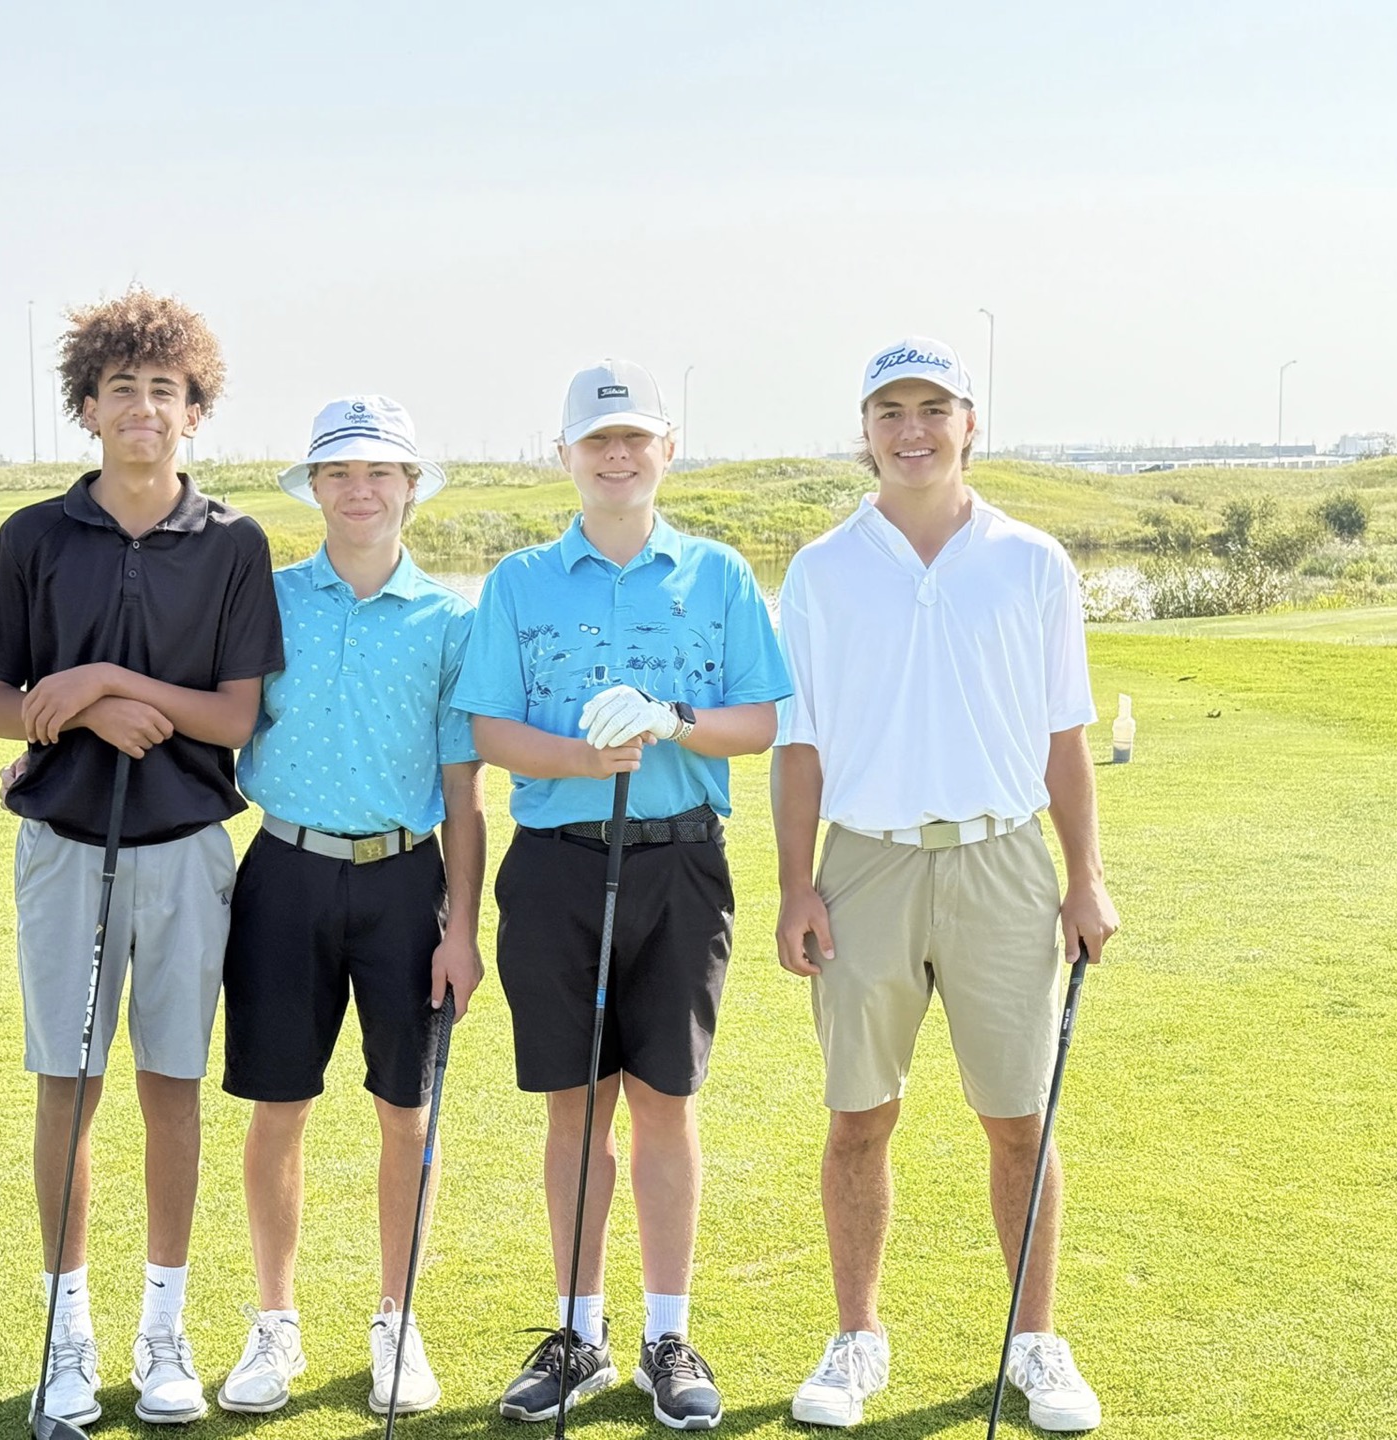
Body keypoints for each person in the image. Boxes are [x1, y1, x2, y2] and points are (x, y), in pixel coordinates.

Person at [0, 289, 283, 1429]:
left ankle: (164, 1331)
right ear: (86, 408)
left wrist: (104, 681)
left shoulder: (234, 542)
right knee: (70, 1088)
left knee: (172, 1088)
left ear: (195, 413)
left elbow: (233, 718)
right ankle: (68, 1337)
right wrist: (85, 713)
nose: (144, 407)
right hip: (62, 847)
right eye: (121, 389)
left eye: (165, 391)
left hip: (187, 850)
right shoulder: (33, 537)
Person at [771, 336, 1119, 1432]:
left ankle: (1034, 1340)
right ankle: (857, 1338)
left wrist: (1086, 878)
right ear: (865, 430)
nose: (912, 430)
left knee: (1019, 1120)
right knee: (858, 1118)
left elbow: (1065, 737)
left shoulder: (1032, 561)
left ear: (970, 422)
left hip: (1002, 861)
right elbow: (798, 746)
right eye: (891, 411)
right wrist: (795, 886)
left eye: (934, 408)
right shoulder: (822, 569)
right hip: (864, 863)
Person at [452, 359, 790, 1431]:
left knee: (665, 1105)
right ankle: (578, 1334)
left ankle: (665, 1338)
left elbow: (760, 723)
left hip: (681, 862)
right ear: (566, 454)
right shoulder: (518, 582)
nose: (617, 455)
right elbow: (489, 729)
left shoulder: (719, 575)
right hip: (557, 864)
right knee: (577, 1106)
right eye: (598, 440)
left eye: (636, 437)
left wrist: (673, 719)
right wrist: (580, 756)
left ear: (666, 450)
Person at [212, 395, 487, 1418]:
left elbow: (464, 790)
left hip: (405, 884)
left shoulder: (451, 621)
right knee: (277, 1107)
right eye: (339, 472)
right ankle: (274, 1323)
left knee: (406, 1112)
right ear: (316, 487)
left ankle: (396, 1320)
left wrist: (464, 930)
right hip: (282, 874)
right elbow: (208, 724)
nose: (359, 489)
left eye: (379, 471)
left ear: (411, 486)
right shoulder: (268, 599)